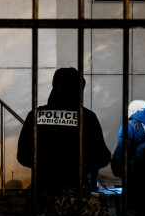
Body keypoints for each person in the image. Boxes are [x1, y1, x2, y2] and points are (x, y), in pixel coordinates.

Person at [17, 67, 111, 198]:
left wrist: (45, 164)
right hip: (76, 192)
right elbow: (101, 157)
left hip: (43, 190)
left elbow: (23, 155)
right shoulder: (87, 117)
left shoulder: (35, 115)